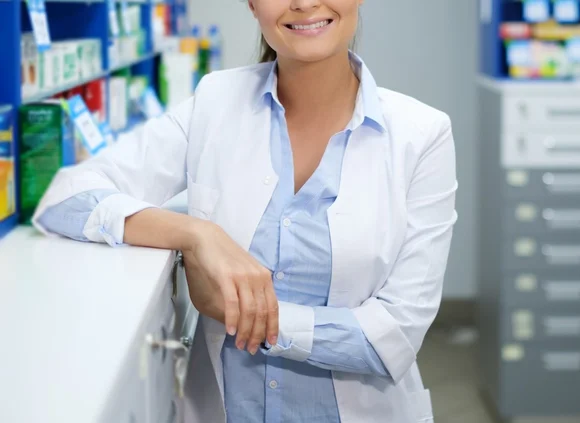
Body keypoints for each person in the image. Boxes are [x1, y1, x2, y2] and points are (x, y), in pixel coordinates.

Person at [33, 0, 458, 422]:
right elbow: (65, 198)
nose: (304, 4)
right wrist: (197, 234)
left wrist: (237, 312)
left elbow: (394, 338)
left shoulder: (421, 136)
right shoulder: (215, 101)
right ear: (252, 5)